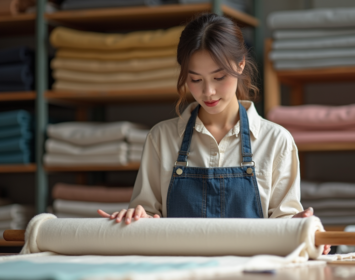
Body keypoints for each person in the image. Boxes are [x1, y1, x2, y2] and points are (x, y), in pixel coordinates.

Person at [98, 13, 330, 254]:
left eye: (219, 77)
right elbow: (146, 217)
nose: (208, 91)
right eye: (195, 79)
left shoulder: (276, 141)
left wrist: (299, 226)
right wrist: (136, 217)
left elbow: (285, 227)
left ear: (241, 64)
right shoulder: (161, 138)